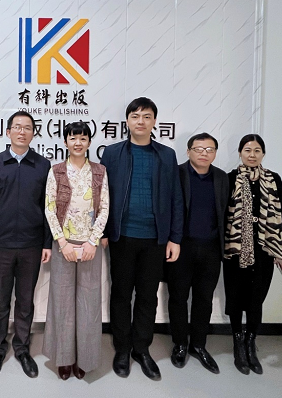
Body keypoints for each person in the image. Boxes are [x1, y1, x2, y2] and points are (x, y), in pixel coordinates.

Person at [100, 97, 183, 381]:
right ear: (127, 121)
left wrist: (174, 238)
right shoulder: (112, 153)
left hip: (155, 239)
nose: (140, 121)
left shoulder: (166, 155)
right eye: (135, 116)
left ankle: (141, 349)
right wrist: (102, 232)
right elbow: (101, 195)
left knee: (148, 296)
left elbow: (175, 198)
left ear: (154, 122)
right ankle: (122, 348)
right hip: (122, 236)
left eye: (146, 116)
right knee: (121, 294)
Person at [0, 111, 52, 379]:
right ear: (8, 131)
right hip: (0, 245)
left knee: (25, 300)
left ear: (34, 133)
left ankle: (22, 348)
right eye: (17, 127)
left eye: (27, 127)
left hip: (32, 245)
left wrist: (47, 243)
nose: (22, 132)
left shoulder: (42, 165)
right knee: (0, 301)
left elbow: (48, 207)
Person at [43, 121, 109, 380]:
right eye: (73, 138)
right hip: (64, 245)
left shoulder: (100, 171)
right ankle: (64, 359)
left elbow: (104, 208)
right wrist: (62, 243)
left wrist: (93, 241)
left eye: (83, 138)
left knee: (88, 303)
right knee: (62, 302)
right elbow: (50, 209)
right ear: (65, 142)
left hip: (91, 245)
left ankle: (85, 359)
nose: (78, 143)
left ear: (89, 142)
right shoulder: (56, 171)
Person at [166, 133, 229, 374]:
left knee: (204, 298)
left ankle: (199, 345)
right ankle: (180, 344)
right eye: (199, 149)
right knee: (178, 297)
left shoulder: (222, 178)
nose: (204, 153)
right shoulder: (177, 174)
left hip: (212, 248)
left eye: (209, 149)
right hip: (182, 246)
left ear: (215, 153)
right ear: (188, 151)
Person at [224, 134, 282, 375]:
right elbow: (223, 213)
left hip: (264, 247)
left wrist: (279, 250)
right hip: (235, 246)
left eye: (257, 150)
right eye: (247, 150)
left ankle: (251, 342)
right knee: (235, 296)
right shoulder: (230, 178)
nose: (252, 154)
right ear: (240, 152)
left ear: (263, 154)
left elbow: (280, 216)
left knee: (256, 297)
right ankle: (238, 343)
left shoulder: (274, 179)